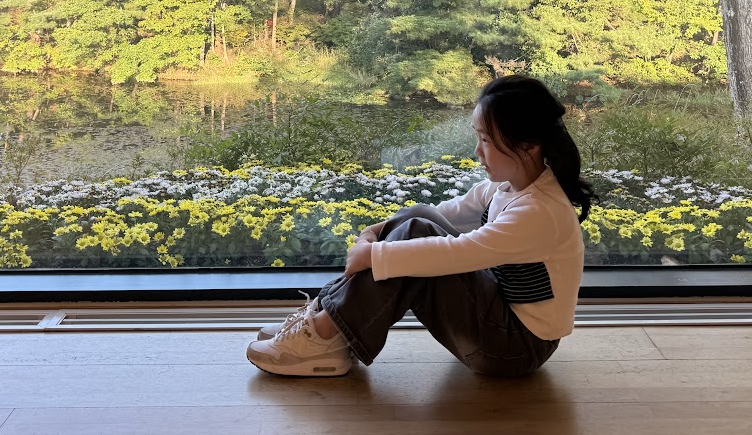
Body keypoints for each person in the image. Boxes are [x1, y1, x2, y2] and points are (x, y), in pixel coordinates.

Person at [246, 74, 596, 378]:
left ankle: (326, 333)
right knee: (420, 216)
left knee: (418, 236)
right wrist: (375, 232)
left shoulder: (539, 211)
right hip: (501, 323)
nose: (478, 151)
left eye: (487, 140)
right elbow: (440, 213)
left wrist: (374, 255)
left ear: (529, 145)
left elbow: (460, 251)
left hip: (515, 349)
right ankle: (330, 320)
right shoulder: (509, 186)